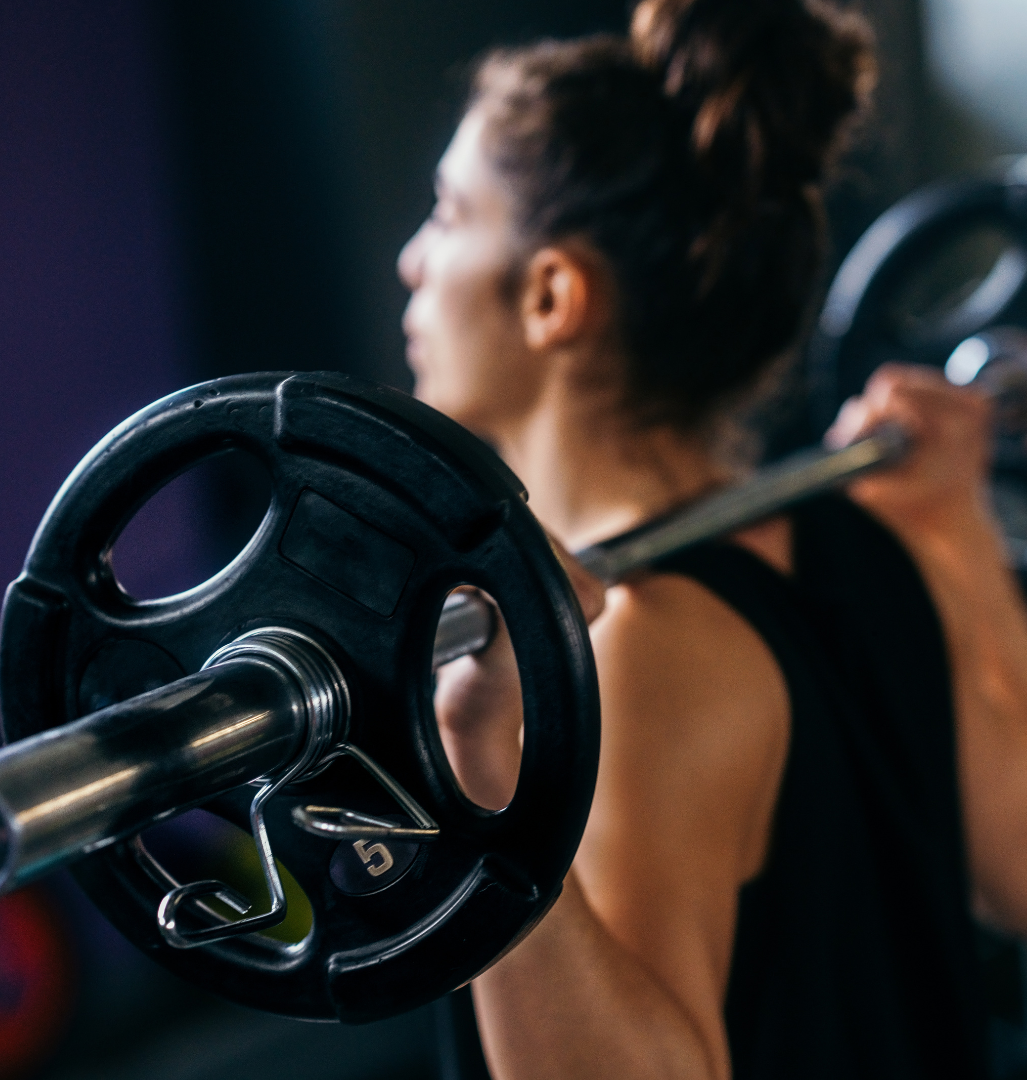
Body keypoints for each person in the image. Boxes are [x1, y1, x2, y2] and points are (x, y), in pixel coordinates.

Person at [397, 0, 1027, 1077]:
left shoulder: (639, 657)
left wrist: (483, 774)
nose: (415, 261)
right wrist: (956, 537)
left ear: (552, 295)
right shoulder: (867, 544)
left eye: (450, 215)